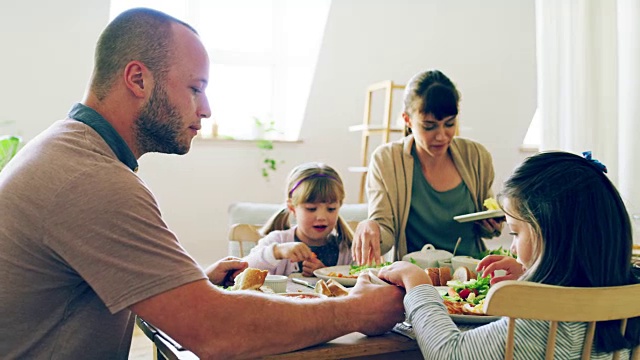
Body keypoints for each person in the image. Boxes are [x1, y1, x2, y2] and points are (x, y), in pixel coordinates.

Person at [0, 8, 405, 359]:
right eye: (195, 89)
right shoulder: (91, 179)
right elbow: (217, 332)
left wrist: (182, 285)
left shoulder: (70, 151)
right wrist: (356, 311)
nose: (206, 109)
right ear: (138, 80)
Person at [377, 151, 640, 359]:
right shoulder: (626, 295)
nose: (512, 248)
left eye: (515, 233)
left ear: (547, 234)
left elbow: (450, 352)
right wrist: (531, 272)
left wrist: (417, 283)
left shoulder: (541, 316)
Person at [352, 69, 503, 265]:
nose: (441, 136)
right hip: (413, 276)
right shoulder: (387, 160)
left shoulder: (476, 156)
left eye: (449, 124)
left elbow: (489, 225)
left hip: (471, 270)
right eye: (429, 126)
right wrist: (370, 227)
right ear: (407, 120)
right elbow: (386, 233)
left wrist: (492, 224)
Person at [244, 162, 353, 276]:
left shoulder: (347, 250)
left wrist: (327, 273)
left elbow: (360, 286)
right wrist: (277, 252)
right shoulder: (278, 240)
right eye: (311, 209)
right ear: (292, 208)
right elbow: (242, 270)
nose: (321, 217)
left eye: (331, 209)